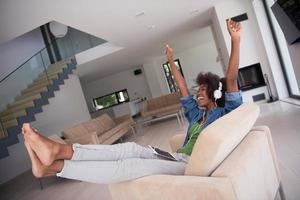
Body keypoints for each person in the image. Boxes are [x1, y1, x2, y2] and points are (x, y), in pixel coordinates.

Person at [22, 19, 242, 184]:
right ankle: (56, 156)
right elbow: (182, 86)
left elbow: (231, 79)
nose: (198, 94)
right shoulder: (196, 114)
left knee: (130, 165)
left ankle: (57, 166)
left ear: (214, 93)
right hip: (176, 157)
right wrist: (169, 61)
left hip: (191, 165)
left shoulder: (225, 113)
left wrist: (235, 40)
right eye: (199, 90)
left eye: (203, 90)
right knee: (127, 149)